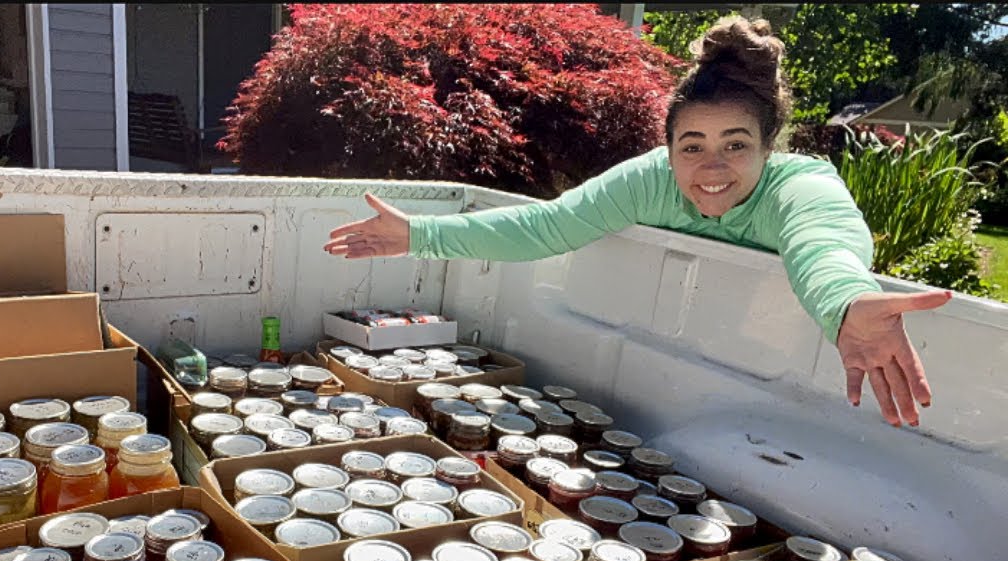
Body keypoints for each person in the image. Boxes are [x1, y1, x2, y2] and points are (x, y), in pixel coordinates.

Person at [324, 16, 949, 428]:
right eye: (691, 145)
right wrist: (419, 233)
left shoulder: (802, 186)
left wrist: (844, 304)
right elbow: (546, 228)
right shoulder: (649, 178)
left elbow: (825, 247)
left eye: (736, 145)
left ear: (768, 145)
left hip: (751, 413)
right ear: (668, 145)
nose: (711, 167)